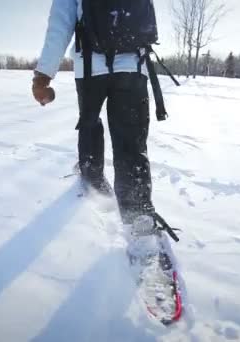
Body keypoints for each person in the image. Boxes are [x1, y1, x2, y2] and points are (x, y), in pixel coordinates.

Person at [32, 0, 162, 228]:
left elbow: (59, 26)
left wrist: (43, 76)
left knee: (90, 123)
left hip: (90, 67)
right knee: (130, 142)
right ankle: (138, 215)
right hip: (133, 66)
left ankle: (92, 178)